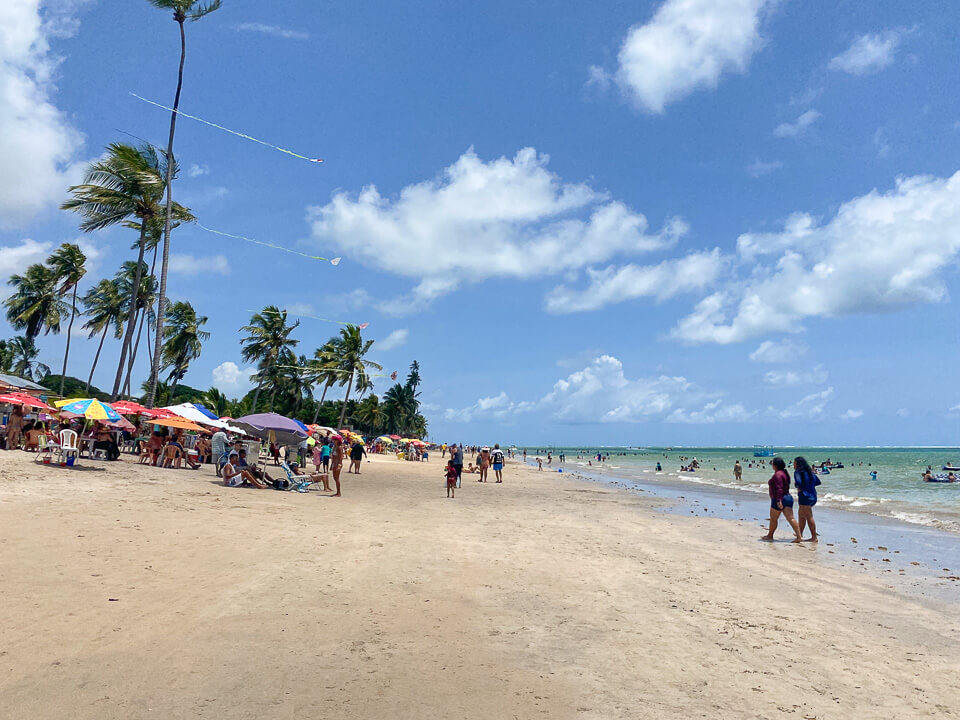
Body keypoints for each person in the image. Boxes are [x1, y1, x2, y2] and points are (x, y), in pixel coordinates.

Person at [762, 457, 802, 542]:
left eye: (772, 464)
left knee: (773, 518)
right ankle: (799, 536)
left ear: (775, 465)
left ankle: (770, 535)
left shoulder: (778, 475)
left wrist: (778, 500)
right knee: (791, 518)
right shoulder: (785, 473)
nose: (772, 465)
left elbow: (779, 488)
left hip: (779, 498)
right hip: (787, 497)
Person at [794, 456, 820, 542]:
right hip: (813, 495)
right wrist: (809, 485)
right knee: (801, 516)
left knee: (808, 516)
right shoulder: (810, 472)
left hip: (804, 496)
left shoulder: (798, 472)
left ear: (798, 464)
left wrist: (799, 487)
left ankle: (814, 537)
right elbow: (818, 482)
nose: (793, 465)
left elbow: (798, 482)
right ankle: (799, 535)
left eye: (794, 463)